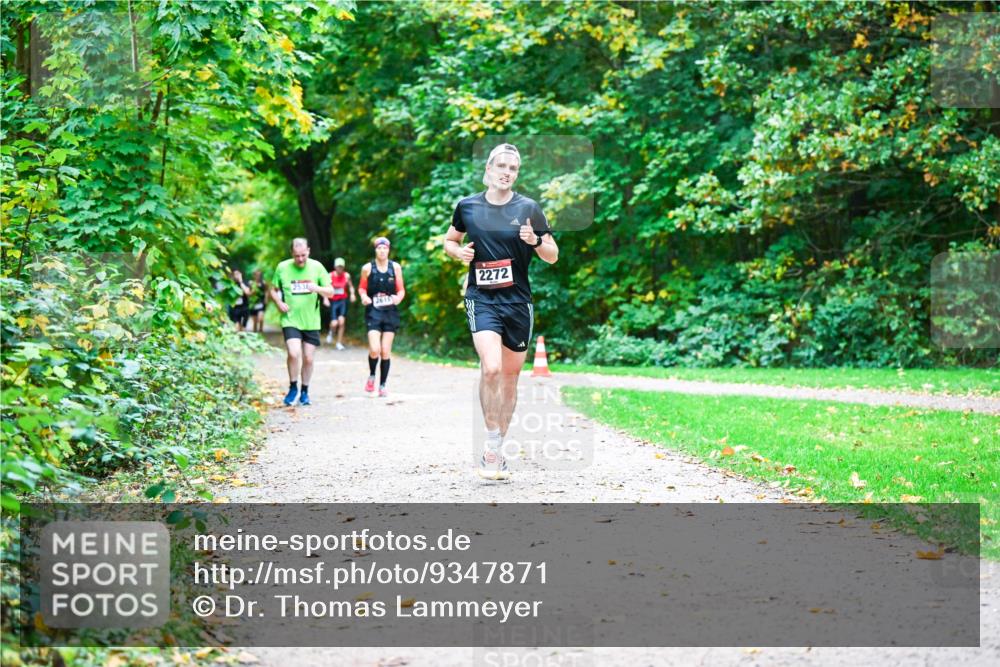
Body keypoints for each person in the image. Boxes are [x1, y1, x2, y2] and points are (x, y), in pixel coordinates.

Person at [443, 143, 558, 481]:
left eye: (514, 168)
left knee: (509, 378)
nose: (508, 172)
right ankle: (491, 444)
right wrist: (458, 253)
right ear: (489, 170)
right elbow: (449, 240)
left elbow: (553, 255)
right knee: (491, 369)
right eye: (503, 166)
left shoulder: (529, 208)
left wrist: (535, 241)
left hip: (518, 302)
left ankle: (498, 445)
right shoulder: (467, 206)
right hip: (482, 298)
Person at [270, 238, 335, 407]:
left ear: (309, 251)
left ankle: (305, 391)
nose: (300, 259)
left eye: (303, 255)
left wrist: (317, 289)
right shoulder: (283, 267)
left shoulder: (317, 267)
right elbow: (272, 289)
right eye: (297, 256)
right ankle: (293, 387)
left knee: (308, 358)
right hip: (290, 319)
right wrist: (279, 302)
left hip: (311, 321)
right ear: (292, 253)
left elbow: (331, 292)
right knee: (293, 353)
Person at [358, 237, 405, 398]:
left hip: (390, 312)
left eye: (385, 248)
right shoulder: (367, 268)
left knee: (385, 351)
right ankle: (372, 375)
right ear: (375, 250)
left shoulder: (395, 267)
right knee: (374, 349)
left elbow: (401, 290)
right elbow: (362, 288)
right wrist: (364, 297)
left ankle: (383, 385)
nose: (382, 251)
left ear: (388, 250)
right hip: (373, 312)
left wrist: (398, 298)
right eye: (379, 248)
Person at [326, 257, 357, 349]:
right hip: (334, 301)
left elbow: (351, 286)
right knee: (334, 323)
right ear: (335, 267)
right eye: (338, 267)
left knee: (342, 322)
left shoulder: (346, 276)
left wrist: (352, 294)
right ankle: (331, 332)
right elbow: (325, 288)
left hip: (343, 300)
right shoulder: (330, 275)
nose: (340, 269)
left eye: (341, 267)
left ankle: (339, 343)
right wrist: (325, 299)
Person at [249, 268, 267, 334]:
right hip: (253, 304)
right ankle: (255, 334)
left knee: (260, 318)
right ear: (254, 275)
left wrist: (266, 299)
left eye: (259, 275)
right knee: (255, 321)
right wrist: (252, 292)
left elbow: (266, 291)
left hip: (261, 303)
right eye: (256, 275)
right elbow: (249, 293)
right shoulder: (251, 283)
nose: (258, 276)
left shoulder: (263, 283)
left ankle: (261, 330)